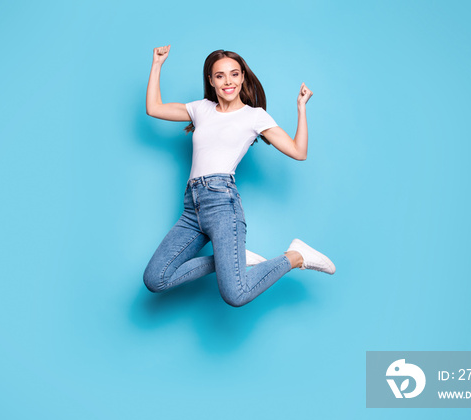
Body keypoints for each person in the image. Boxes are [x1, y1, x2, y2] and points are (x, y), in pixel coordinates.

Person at [143, 45, 335, 307]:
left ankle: (295, 256)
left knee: (235, 295)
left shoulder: (254, 117)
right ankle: (233, 258)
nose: (228, 81)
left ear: (243, 76)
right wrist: (157, 64)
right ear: (211, 81)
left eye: (234, 74)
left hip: (223, 204)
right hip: (192, 208)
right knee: (156, 278)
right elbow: (154, 108)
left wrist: (301, 108)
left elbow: (298, 152)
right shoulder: (201, 109)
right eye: (220, 75)